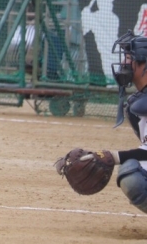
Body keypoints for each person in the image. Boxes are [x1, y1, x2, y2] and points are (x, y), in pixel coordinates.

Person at [60, 30, 147, 214]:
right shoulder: (140, 101)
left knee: (132, 174)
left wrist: (111, 157)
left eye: (129, 58)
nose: (123, 63)